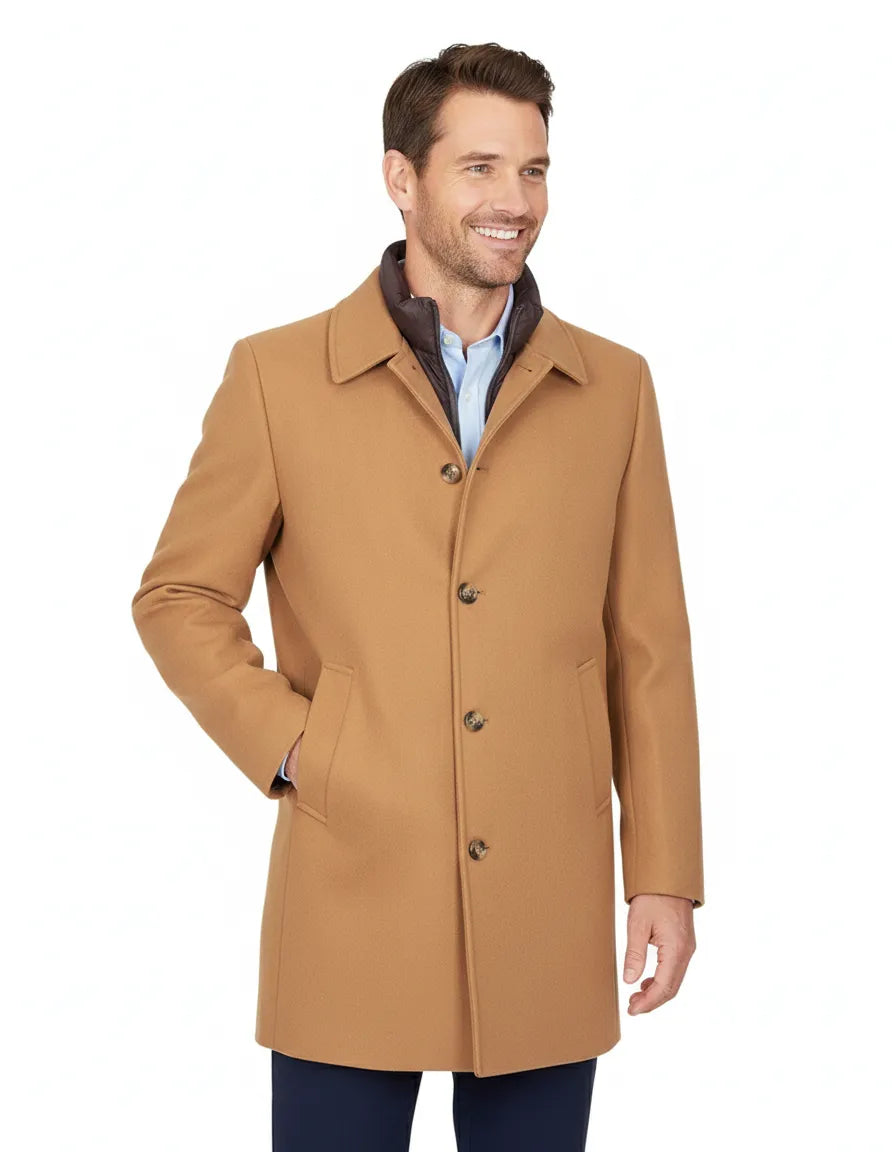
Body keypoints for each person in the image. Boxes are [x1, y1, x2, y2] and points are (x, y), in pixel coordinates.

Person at [131, 40, 705, 1152]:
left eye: (533, 170)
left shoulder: (613, 388)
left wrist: (666, 874)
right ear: (401, 178)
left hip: (545, 898)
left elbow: (648, 644)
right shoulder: (278, 377)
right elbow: (179, 596)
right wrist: (305, 748)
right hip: (353, 885)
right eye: (479, 168)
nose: (514, 201)